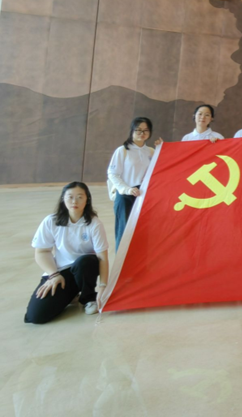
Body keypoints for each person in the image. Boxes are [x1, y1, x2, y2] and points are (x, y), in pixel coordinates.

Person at [25, 182, 109, 324]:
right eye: (70, 197)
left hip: (84, 270)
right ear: (63, 199)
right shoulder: (51, 221)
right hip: (60, 272)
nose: (74, 201)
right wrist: (53, 275)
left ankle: (88, 298)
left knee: (85, 261)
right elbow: (42, 252)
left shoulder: (94, 224)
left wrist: (102, 286)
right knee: (36, 316)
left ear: (87, 199)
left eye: (80, 197)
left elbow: (102, 258)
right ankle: (72, 294)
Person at [107, 117, 156, 249]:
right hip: (125, 196)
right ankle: (122, 262)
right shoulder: (122, 150)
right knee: (124, 233)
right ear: (132, 131)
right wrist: (127, 189)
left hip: (143, 196)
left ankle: (139, 261)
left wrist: (161, 148)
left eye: (146, 130)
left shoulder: (151, 151)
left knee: (142, 232)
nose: (142, 133)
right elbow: (113, 174)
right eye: (138, 130)